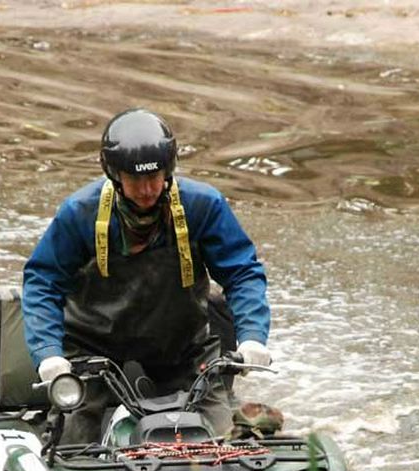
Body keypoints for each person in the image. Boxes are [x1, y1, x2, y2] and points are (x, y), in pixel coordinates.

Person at [21, 108, 272, 444]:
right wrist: (49, 354)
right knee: (73, 442)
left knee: (225, 441)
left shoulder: (204, 206)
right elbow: (42, 282)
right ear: (114, 175)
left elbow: (242, 273)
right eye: (135, 179)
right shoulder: (79, 213)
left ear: (168, 170)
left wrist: (253, 336)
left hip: (183, 348)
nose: (147, 189)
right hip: (93, 350)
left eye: (155, 176)